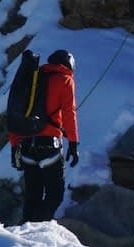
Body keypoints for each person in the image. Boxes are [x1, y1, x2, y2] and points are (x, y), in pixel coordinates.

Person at [7, 48, 80, 223]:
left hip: (26, 144)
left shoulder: (33, 78)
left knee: (33, 194)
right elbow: (69, 114)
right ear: (69, 64)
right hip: (50, 145)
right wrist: (73, 143)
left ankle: (25, 230)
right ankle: (39, 229)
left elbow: (15, 110)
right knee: (55, 194)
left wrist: (14, 145)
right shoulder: (65, 80)